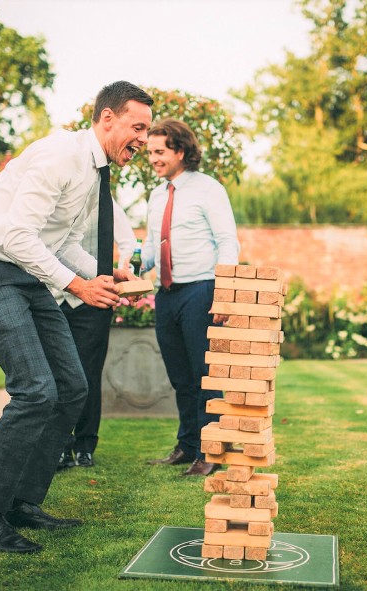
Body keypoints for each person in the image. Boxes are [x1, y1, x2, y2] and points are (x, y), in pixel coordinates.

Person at [0, 81, 154, 552]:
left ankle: (22, 502)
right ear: (107, 119)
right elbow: (20, 237)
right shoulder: (61, 156)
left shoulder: (95, 172)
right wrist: (78, 285)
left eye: (146, 129)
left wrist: (106, 274)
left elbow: (60, 243)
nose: (142, 138)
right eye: (137, 127)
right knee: (35, 390)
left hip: (24, 273)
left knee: (72, 386)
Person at [141, 118, 240, 477]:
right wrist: (135, 265)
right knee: (180, 378)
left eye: (159, 151)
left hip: (201, 290)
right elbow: (152, 247)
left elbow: (227, 241)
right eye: (150, 152)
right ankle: (186, 445)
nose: (152, 158)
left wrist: (225, 293)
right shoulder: (156, 195)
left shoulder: (208, 189)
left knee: (204, 376)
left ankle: (210, 451)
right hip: (166, 296)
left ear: (180, 151)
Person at [55, 198, 138, 470]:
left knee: (88, 373)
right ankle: (60, 446)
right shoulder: (53, 197)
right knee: (56, 375)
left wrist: (126, 272)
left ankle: (85, 445)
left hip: (95, 302)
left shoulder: (106, 202)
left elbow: (128, 242)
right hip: (53, 298)